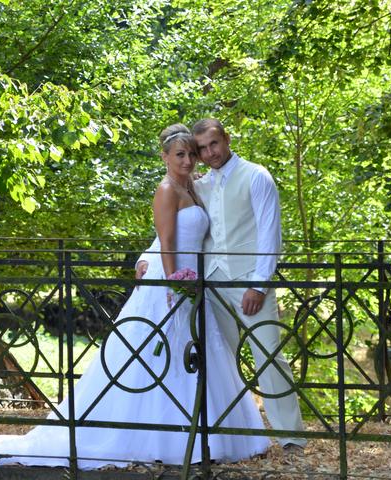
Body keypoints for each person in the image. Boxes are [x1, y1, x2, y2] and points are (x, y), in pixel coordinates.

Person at [0, 124, 270, 469]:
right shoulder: (166, 190)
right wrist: (173, 283)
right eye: (180, 155)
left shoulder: (193, 188)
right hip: (171, 285)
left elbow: (176, 236)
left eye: (191, 154)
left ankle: (205, 433)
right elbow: (167, 242)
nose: (187, 161)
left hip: (193, 283)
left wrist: (165, 268)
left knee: (194, 354)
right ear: (165, 157)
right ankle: (156, 437)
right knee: (156, 356)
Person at [136, 118, 306, 453]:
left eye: (214, 144)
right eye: (202, 148)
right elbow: (171, 230)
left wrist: (259, 286)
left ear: (227, 139)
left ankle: (291, 438)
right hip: (207, 285)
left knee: (269, 357)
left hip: (248, 284)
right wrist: (144, 258)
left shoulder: (256, 176)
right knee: (216, 361)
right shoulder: (198, 185)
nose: (209, 153)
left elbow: (270, 235)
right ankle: (226, 435)